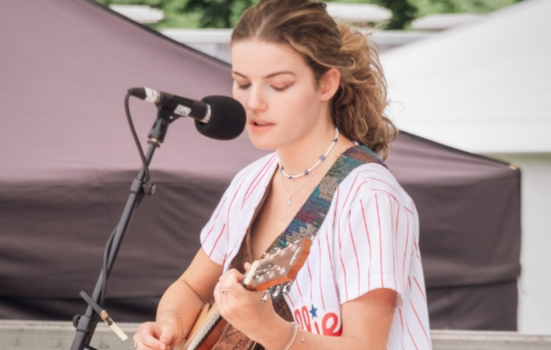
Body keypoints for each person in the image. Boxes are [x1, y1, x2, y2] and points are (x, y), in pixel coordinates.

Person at [134, 0, 431, 349]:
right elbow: (189, 288)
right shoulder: (250, 182)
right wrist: (169, 325)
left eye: (278, 85)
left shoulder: (370, 196)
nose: (254, 102)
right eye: (242, 83)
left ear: (326, 85)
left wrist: (272, 331)